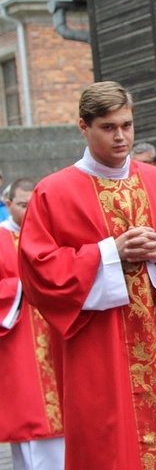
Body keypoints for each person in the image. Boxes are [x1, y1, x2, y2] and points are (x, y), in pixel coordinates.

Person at [17, 81, 156, 469]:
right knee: (108, 447)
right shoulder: (54, 192)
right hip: (99, 347)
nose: (121, 136)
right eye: (108, 127)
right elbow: (38, 271)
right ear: (84, 127)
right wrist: (109, 253)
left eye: (127, 125)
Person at [0, 178, 65, 470]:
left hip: (57, 332)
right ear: (8, 204)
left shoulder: (51, 235)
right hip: (19, 339)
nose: (29, 212)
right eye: (23, 205)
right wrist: (22, 286)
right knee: (32, 420)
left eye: (33, 205)